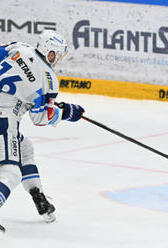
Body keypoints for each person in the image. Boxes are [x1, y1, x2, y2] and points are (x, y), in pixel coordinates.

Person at [0, 30, 85, 226]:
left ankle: (38, 197)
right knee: (11, 172)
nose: (57, 59)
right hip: (4, 119)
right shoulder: (48, 78)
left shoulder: (18, 48)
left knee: (25, 149)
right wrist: (66, 112)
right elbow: (39, 117)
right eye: (57, 54)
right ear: (50, 51)